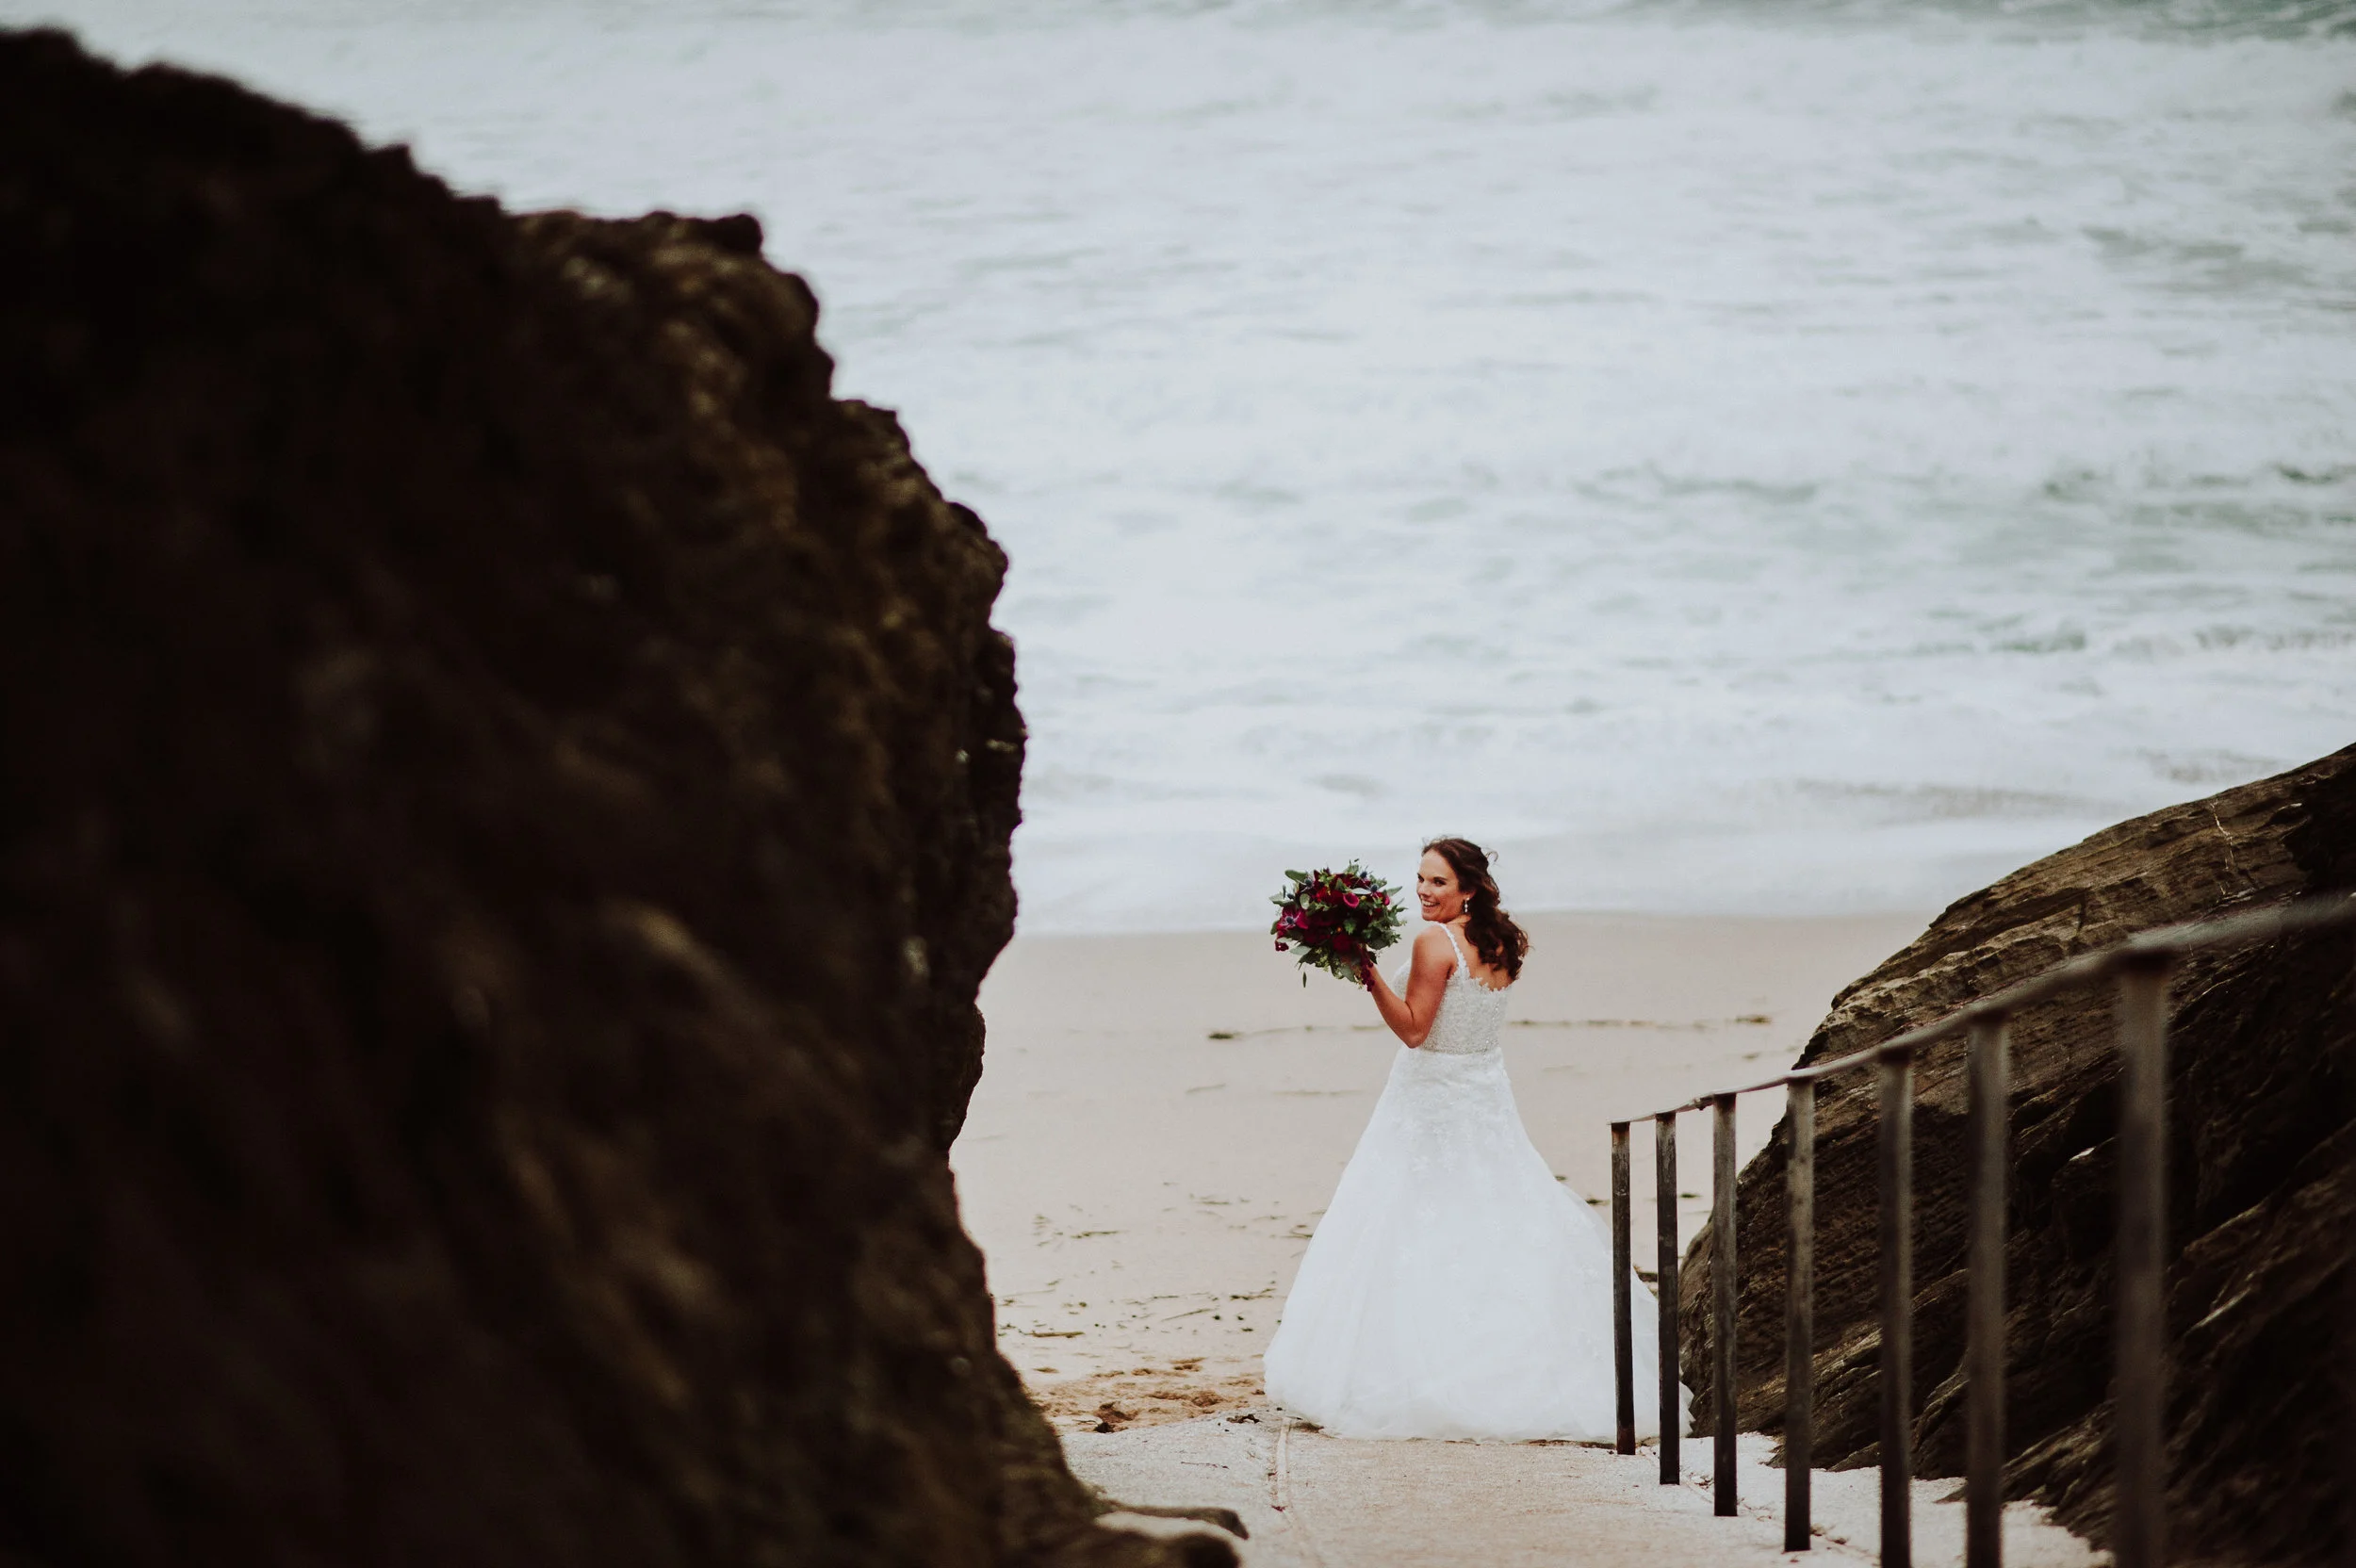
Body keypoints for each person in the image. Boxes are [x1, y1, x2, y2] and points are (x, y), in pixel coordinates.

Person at [1262, 837, 1679, 1441]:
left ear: (1469, 888)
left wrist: (1368, 973)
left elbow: (1413, 1031)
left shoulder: (1435, 942)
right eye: (1420, 879)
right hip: (1485, 1091)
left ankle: (1424, 1372)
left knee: (1407, 1216)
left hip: (1431, 1098)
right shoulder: (1502, 941)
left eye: (1437, 882)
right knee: (1500, 1207)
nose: (1424, 892)